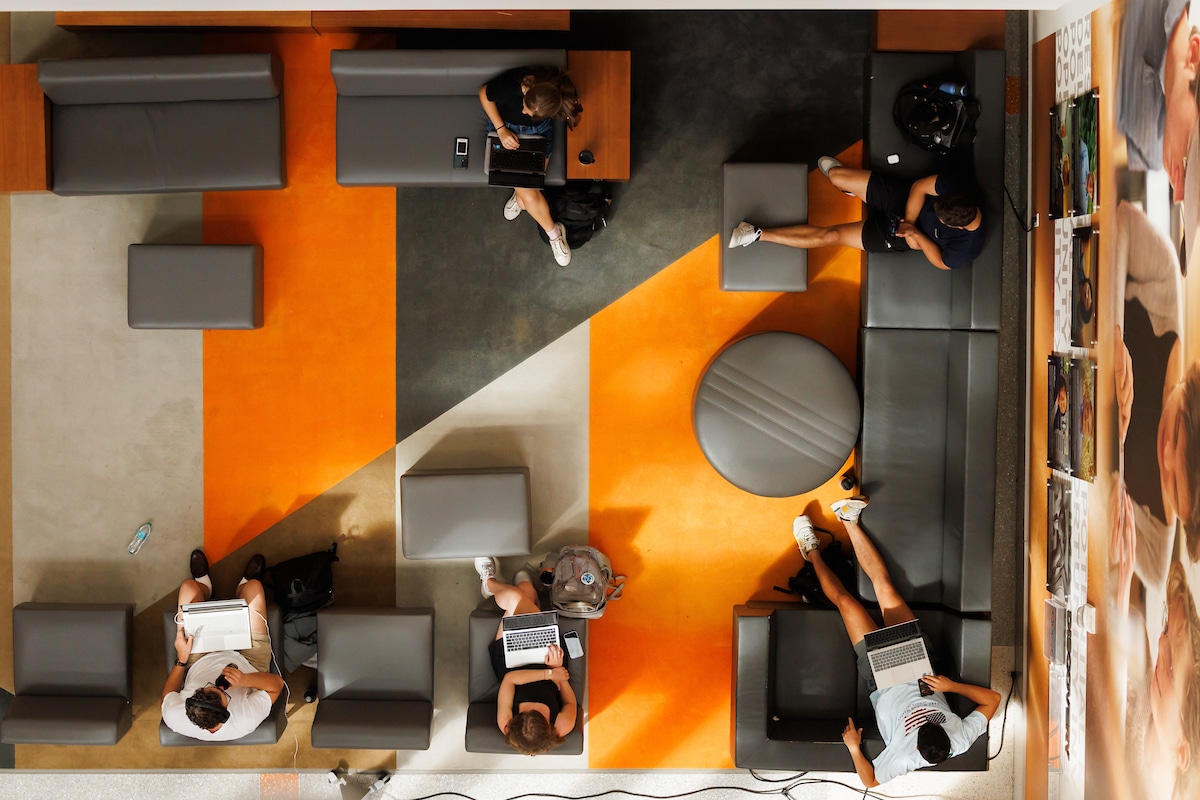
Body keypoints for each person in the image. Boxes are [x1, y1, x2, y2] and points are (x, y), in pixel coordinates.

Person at [795, 496, 1000, 787]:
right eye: (936, 721)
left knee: (846, 603)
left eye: (924, 725)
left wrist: (854, 748)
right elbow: (993, 700)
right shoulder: (961, 739)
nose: (929, 719)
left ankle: (810, 550)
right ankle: (848, 521)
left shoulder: (904, 759)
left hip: (882, 679)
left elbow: (871, 781)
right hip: (918, 664)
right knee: (885, 587)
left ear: (915, 747)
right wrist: (951, 687)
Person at [728, 156, 985, 271]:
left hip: (904, 237)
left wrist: (912, 232)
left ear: (959, 227)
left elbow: (941, 262)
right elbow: (920, 187)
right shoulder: (958, 189)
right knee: (835, 174)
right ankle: (854, 191)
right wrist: (910, 220)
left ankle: (755, 234)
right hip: (905, 203)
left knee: (831, 236)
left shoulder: (968, 246)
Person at [160, 549, 285, 742]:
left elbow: (168, 694)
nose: (218, 682)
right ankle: (242, 589)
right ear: (226, 714)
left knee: (188, 588)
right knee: (254, 588)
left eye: (208, 686)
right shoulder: (244, 720)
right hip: (249, 662)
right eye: (221, 690)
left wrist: (181, 660)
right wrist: (244, 680)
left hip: (199, 658)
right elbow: (277, 685)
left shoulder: (175, 717)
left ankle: (205, 586)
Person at [479, 65, 582, 268]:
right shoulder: (512, 85)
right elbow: (484, 94)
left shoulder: (555, 96)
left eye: (532, 113)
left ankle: (521, 195)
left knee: (529, 188)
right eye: (526, 105)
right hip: (506, 128)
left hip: (538, 134)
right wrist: (501, 130)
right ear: (528, 91)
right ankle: (554, 234)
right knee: (530, 187)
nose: (524, 111)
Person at [474, 556, 578, 755]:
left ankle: (490, 584)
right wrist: (556, 670)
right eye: (538, 713)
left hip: (512, 664)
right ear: (549, 726)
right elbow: (570, 702)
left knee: (516, 597)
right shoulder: (562, 726)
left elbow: (510, 680)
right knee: (523, 592)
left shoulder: (505, 723)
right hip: (548, 662)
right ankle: (514, 593)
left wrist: (550, 676)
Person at [1123, 560, 1200, 800]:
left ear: (1183, 754)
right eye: (1166, 628)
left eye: (1173, 667)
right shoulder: (1136, 652)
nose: (1160, 642)